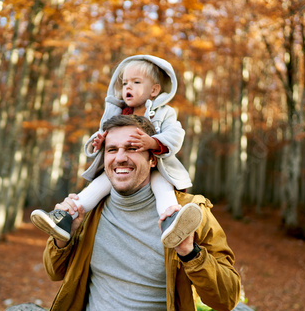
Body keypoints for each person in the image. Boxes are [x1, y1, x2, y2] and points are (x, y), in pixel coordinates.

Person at [42, 114, 241, 311]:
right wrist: (63, 238)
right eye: (112, 149)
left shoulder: (189, 215)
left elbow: (227, 299)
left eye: (132, 148)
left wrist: (190, 253)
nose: (120, 157)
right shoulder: (87, 211)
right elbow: (54, 271)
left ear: (152, 159)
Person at [31, 55, 201, 248]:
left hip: (157, 166)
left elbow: (176, 135)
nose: (128, 87)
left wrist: (153, 142)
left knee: (164, 191)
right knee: (94, 188)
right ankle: (66, 218)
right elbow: (104, 131)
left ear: (154, 90)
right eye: (125, 83)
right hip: (124, 168)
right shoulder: (118, 113)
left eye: (136, 82)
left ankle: (172, 221)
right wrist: (99, 142)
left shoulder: (164, 113)